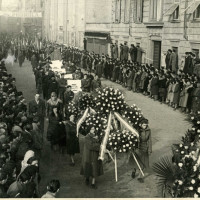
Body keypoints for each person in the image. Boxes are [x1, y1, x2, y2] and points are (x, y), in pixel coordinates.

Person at [136, 118, 152, 183]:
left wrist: (150, 149)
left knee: (144, 162)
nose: (145, 126)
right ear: (140, 125)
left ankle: (139, 176)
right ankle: (134, 170)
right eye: (144, 125)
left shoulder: (148, 130)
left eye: (146, 125)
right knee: (137, 161)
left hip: (145, 147)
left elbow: (149, 140)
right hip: (138, 147)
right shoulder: (137, 130)